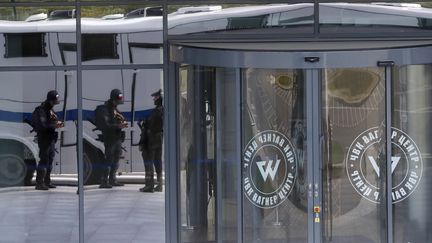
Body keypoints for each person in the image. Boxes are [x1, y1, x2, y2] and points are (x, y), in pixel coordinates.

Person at [32, 90, 64, 190]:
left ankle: (47, 181)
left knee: (50, 160)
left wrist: (58, 124)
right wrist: (55, 125)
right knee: (44, 160)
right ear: (50, 100)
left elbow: (53, 121)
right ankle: (39, 183)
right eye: (54, 101)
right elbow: (43, 125)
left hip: (51, 139)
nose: (55, 103)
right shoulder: (41, 110)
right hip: (44, 139)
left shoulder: (50, 110)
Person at [98, 89, 128, 188]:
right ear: (114, 98)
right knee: (109, 160)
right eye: (118, 99)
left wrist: (121, 127)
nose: (120, 101)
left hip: (117, 138)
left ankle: (112, 179)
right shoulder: (106, 109)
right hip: (110, 139)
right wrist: (118, 126)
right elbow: (106, 125)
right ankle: (104, 181)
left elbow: (119, 120)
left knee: (116, 160)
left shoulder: (115, 109)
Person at [139, 89, 164, 192]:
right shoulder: (163, 110)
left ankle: (149, 185)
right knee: (157, 162)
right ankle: (159, 185)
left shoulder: (155, 112)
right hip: (159, 139)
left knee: (148, 162)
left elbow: (149, 125)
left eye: (154, 98)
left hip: (151, 140)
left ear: (158, 98)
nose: (153, 100)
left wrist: (143, 123)